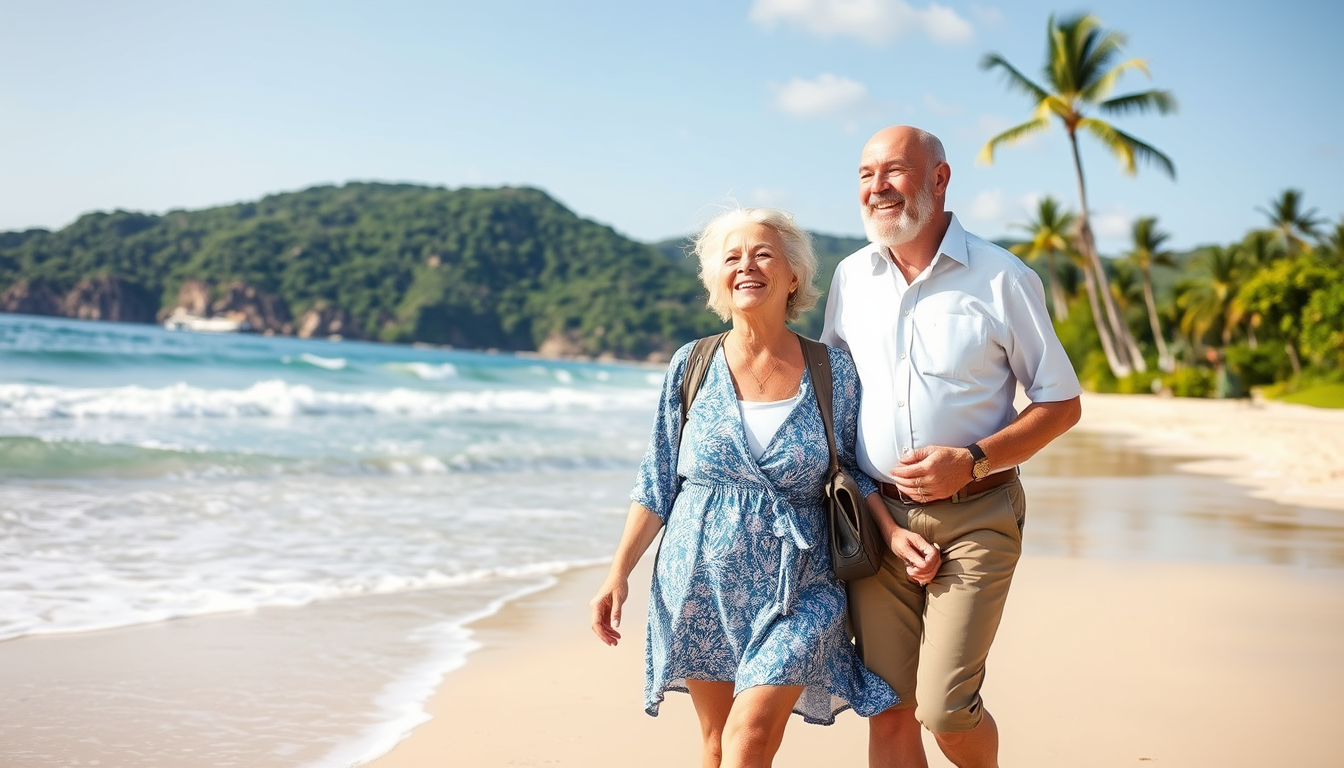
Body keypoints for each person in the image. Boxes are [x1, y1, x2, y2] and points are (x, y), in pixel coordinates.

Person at [590, 207, 898, 768]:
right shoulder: (692, 364)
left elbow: (855, 470)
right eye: (731, 257)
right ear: (716, 279)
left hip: (801, 581)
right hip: (699, 578)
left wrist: (892, 534)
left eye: (762, 254)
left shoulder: (834, 371)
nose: (746, 266)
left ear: (793, 275)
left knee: (750, 737)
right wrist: (618, 574)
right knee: (715, 744)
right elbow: (657, 479)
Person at [821, 125, 1083, 768]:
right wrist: (879, 519)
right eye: (864, 174)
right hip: (878, 524)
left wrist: (971, 462)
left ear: (939, 179)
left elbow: (1061, 403)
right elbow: (836, 405)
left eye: (894, 171)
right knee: (887, 706)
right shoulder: (851, 278)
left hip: (978, 516)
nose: (876, 187)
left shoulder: (1003, 278)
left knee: (944, 709)